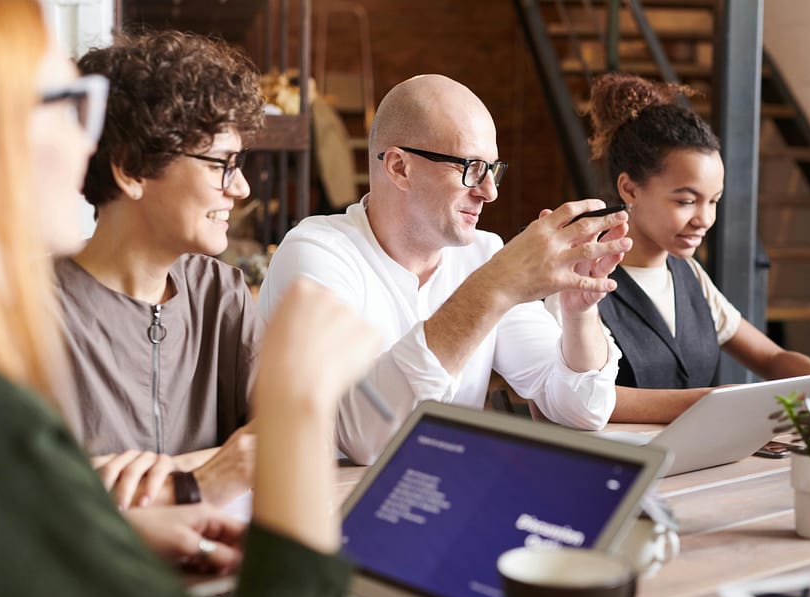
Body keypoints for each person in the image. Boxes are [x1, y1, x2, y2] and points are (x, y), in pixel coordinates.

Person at [0, 1, 379, 597]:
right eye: (66, 102)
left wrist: (130, 516)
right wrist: (292, 408)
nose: (86, 135)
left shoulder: (220, 292)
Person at [258, 74, 631, 465]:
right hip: (326, 513)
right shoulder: (318, 253)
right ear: (400, 168)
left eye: (493, 169)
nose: (490, 192)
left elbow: (583, 410)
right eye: (471, 167)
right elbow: (365, 436)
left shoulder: (485, 255)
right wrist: (493, 288)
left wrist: (578, 311)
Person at [578, 73, 810, 423]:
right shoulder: (578, 276)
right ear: (630, 189)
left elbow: (772, 359)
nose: (704, 218)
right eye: (686, 201)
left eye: (713, 201)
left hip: (701, 464)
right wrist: (714, 400)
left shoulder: (688, 274)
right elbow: (577, 397)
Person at [56, 31, 267, 509]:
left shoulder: (222, 292)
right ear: (131, 169)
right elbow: (34, 496)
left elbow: (280, 439)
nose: (243, 189)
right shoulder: (30, 312)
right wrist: (206, 473)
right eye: (222, 165)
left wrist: (164, 476)